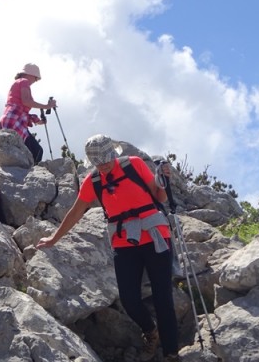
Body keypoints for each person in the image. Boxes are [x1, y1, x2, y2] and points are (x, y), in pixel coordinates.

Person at [36, 134, 180, 362]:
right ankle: (151, 331)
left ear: (114, 154)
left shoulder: (134, 164)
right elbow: (76, 211)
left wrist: (163, 180)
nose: (103, 165)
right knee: (129, 299)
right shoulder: (93, 181)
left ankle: (172, 353)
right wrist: (54, 238)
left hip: (155, 236)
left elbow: (158, 196)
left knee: (163, 298)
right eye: (98, 162)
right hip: (124, 243)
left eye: (106, 160)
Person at [0, 63, 56, 164]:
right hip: (14, 119)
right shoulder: (24, 81)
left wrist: (38, 121)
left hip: (11, 119)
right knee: (36, 151)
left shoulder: (18, 82)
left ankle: (22, 172)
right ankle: (29, 174)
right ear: (31, 74)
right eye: (36, 78)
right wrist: (47, 106)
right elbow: (26, 101)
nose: (35, 81)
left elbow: (23, 108)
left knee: (24, 152)